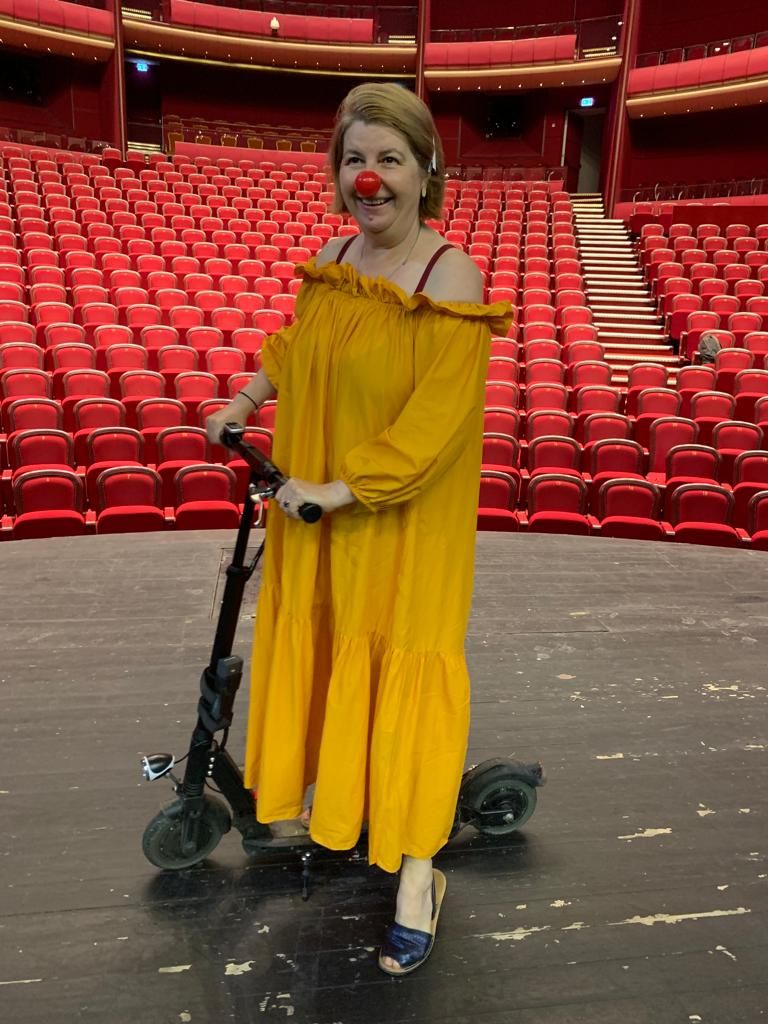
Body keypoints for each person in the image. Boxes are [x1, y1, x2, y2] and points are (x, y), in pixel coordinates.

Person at [206, 82, 513, 975]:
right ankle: (347, 803)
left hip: (401, 528)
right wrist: (244, 400)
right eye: (353, 160)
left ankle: (418, 872)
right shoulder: (336, 255)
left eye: (388, 159)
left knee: (405, 669)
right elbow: (298, 347)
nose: (368, 178)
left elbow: (434, 426)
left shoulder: (448, 276)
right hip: (321, 513)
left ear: (426, 170)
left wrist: (339, 491)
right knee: (338, 656)